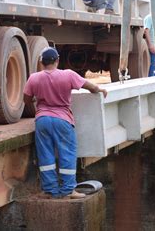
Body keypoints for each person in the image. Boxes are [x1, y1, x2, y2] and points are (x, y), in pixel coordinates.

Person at [23, 47, 108, 199]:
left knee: (45, 155)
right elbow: (90, 87)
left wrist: (39, 98)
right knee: (67, 153)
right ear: (57, 60)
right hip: (63, 120)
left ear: (41, 62)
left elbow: (26, 99)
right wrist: (100, 90)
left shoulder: (33, 78)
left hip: (42, 120)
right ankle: (69, 190)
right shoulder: (68, 75)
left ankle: (50, 190)